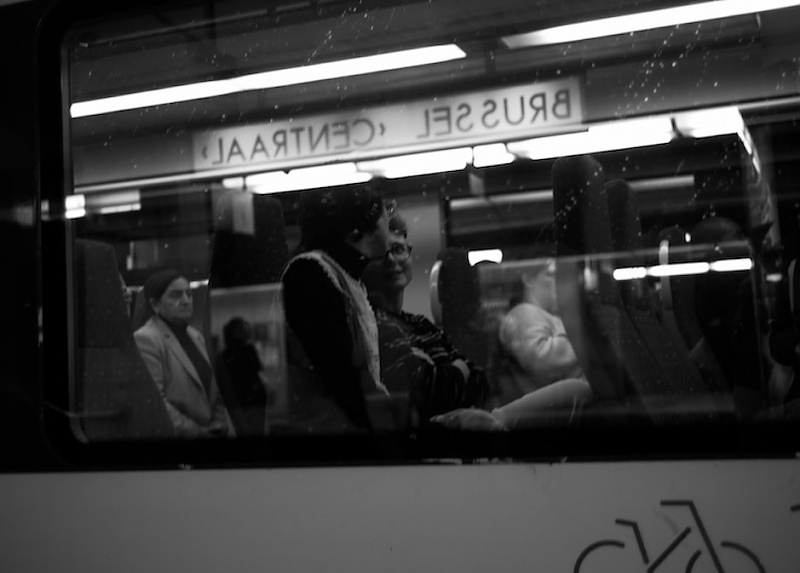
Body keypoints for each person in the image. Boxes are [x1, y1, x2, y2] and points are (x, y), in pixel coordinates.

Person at [280, 181, 392, 433]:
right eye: (387, 209)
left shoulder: (343, 275)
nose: (390, 218)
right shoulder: (309, 274)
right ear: (366, 220)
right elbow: (343, 379)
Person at [361, 213, 490, 424]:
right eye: (380, 253)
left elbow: (481, 383)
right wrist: (460, 368)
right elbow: (429, 394)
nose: (391, 260)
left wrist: (450, 376)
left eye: (398, 249)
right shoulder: (371, 326)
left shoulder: (420, 323)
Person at [490, 251, 593, 428]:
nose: (557, 281)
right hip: (546, 411)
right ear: (528, 280)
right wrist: (584, 338)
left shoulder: (551, 315)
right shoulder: (524, 313)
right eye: (550, 275)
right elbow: (541, 359)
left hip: (565, 412)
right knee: (578, 389)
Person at [134, 269, 234, 438]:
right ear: (155, 304)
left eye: (189, 294)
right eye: (176, 295)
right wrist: (198, 433)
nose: (186, 301)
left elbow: (215, 388)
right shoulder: (146, 339)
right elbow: (155, 402)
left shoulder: (195, 336)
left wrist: (218, 425)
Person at [215, 317, 270, 437]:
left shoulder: (223, 356)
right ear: (237, 332)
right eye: (244, 326)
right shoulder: (248, 350)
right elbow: (255, 371)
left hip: (235, 404)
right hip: (252, 402)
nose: (248, 329)